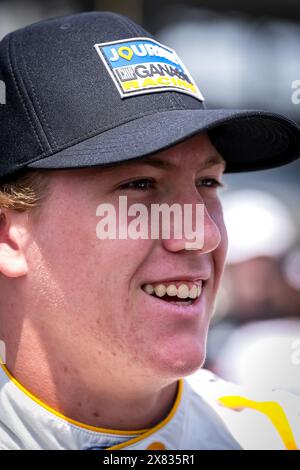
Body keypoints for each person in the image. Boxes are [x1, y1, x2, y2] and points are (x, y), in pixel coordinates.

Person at [0, 11, 299, 451]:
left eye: (208, 183)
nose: (202, 234)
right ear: (8, 235)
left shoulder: (272, 435)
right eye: (139, 185)